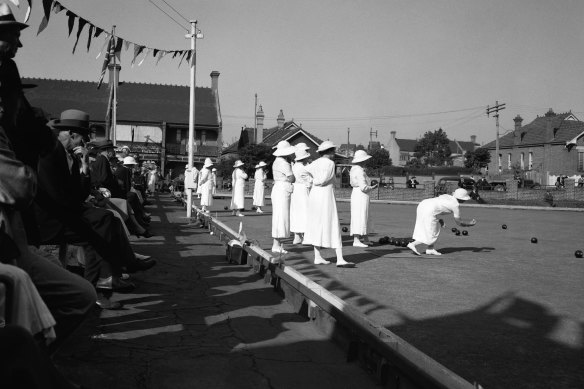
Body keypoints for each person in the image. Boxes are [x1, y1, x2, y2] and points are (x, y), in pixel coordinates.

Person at [0, 3, 96, 358]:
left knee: (78, 293)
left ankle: (31, 367)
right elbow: (25, 187)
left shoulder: (19, 129)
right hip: (16, 235)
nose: (18, 46)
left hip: (16, 235)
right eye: (11, 36)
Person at [303, 141, 355, 268]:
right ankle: (340, 258)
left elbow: (303, 173)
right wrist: (315, 181)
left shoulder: (314, 163)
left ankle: (317, 256)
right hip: (325, 195)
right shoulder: (330, 163)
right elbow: (323, 180)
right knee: (332, 222)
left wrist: (310, 182)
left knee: (316, 223)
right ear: (330, 151)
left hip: (315, 195)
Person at [407, 188, 477, 256]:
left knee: (434, 228)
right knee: (430, 232)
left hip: (423, 204)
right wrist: (469, 224)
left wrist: (440, 220)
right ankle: (412, 244)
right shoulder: (455, 205)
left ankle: (430, 249)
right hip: (429, 209)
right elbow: (459, 222)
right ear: (461, 199)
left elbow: (438, 205)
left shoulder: (448, 196)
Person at [271, 141, 296, 253]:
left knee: (279, 215)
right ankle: (276, 244)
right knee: (281, 216)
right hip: (282, 189)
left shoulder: (277, 161)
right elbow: (291, 178)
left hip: (278, 188)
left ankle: (277, 243)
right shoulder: (284, 163)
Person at [349, 150, 378, 247]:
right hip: (360, 194)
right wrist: (372, 188)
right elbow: (363, 187)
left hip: (357, 194)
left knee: (364, 215)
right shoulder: (359, 170)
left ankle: (365, 238)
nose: (366, 162)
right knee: (360, 215)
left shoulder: (354, 169)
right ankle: (356, 240)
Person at [290, 144, 312, 245]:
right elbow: (310, 181)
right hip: (302, 190)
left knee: (296, 212)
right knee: (305, 212)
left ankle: (297, 236)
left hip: (295, 191)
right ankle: (305, 236)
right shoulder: (303, 168)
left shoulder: (294, 166)